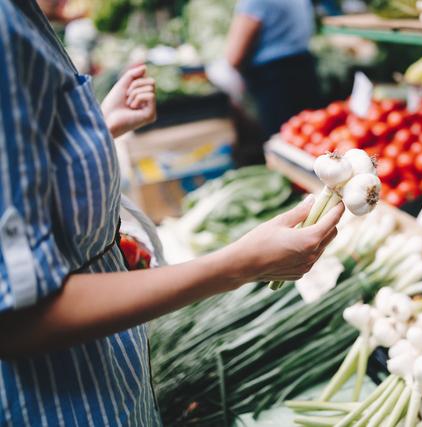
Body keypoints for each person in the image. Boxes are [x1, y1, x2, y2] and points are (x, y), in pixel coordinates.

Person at [0, 1, 343, 425]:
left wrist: (92, 135)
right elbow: (15, 320)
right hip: (61, 402)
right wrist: (238, 265)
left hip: (110, 375)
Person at [224, 0, 322, 137]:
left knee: (281, 143)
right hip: (305, 69)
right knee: (312, 136)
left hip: (274, 82)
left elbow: (234, 57)